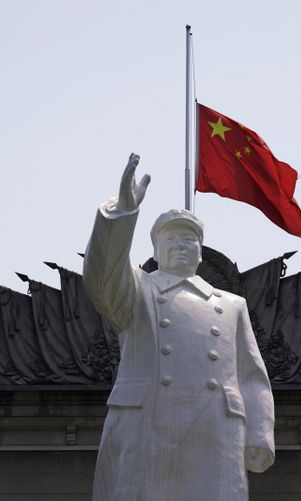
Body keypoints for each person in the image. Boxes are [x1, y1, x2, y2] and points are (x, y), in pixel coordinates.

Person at [83, 153, 275, 501]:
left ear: (201, 252)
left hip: (214, 428)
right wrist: (123, 213)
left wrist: (260, 431)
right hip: (149, 423)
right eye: (171, 240)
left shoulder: (232, 306)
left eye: (189, 241)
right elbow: (102, 276)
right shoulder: (137, 291)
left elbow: (250, 374)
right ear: (155, 250)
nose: (181, 246)